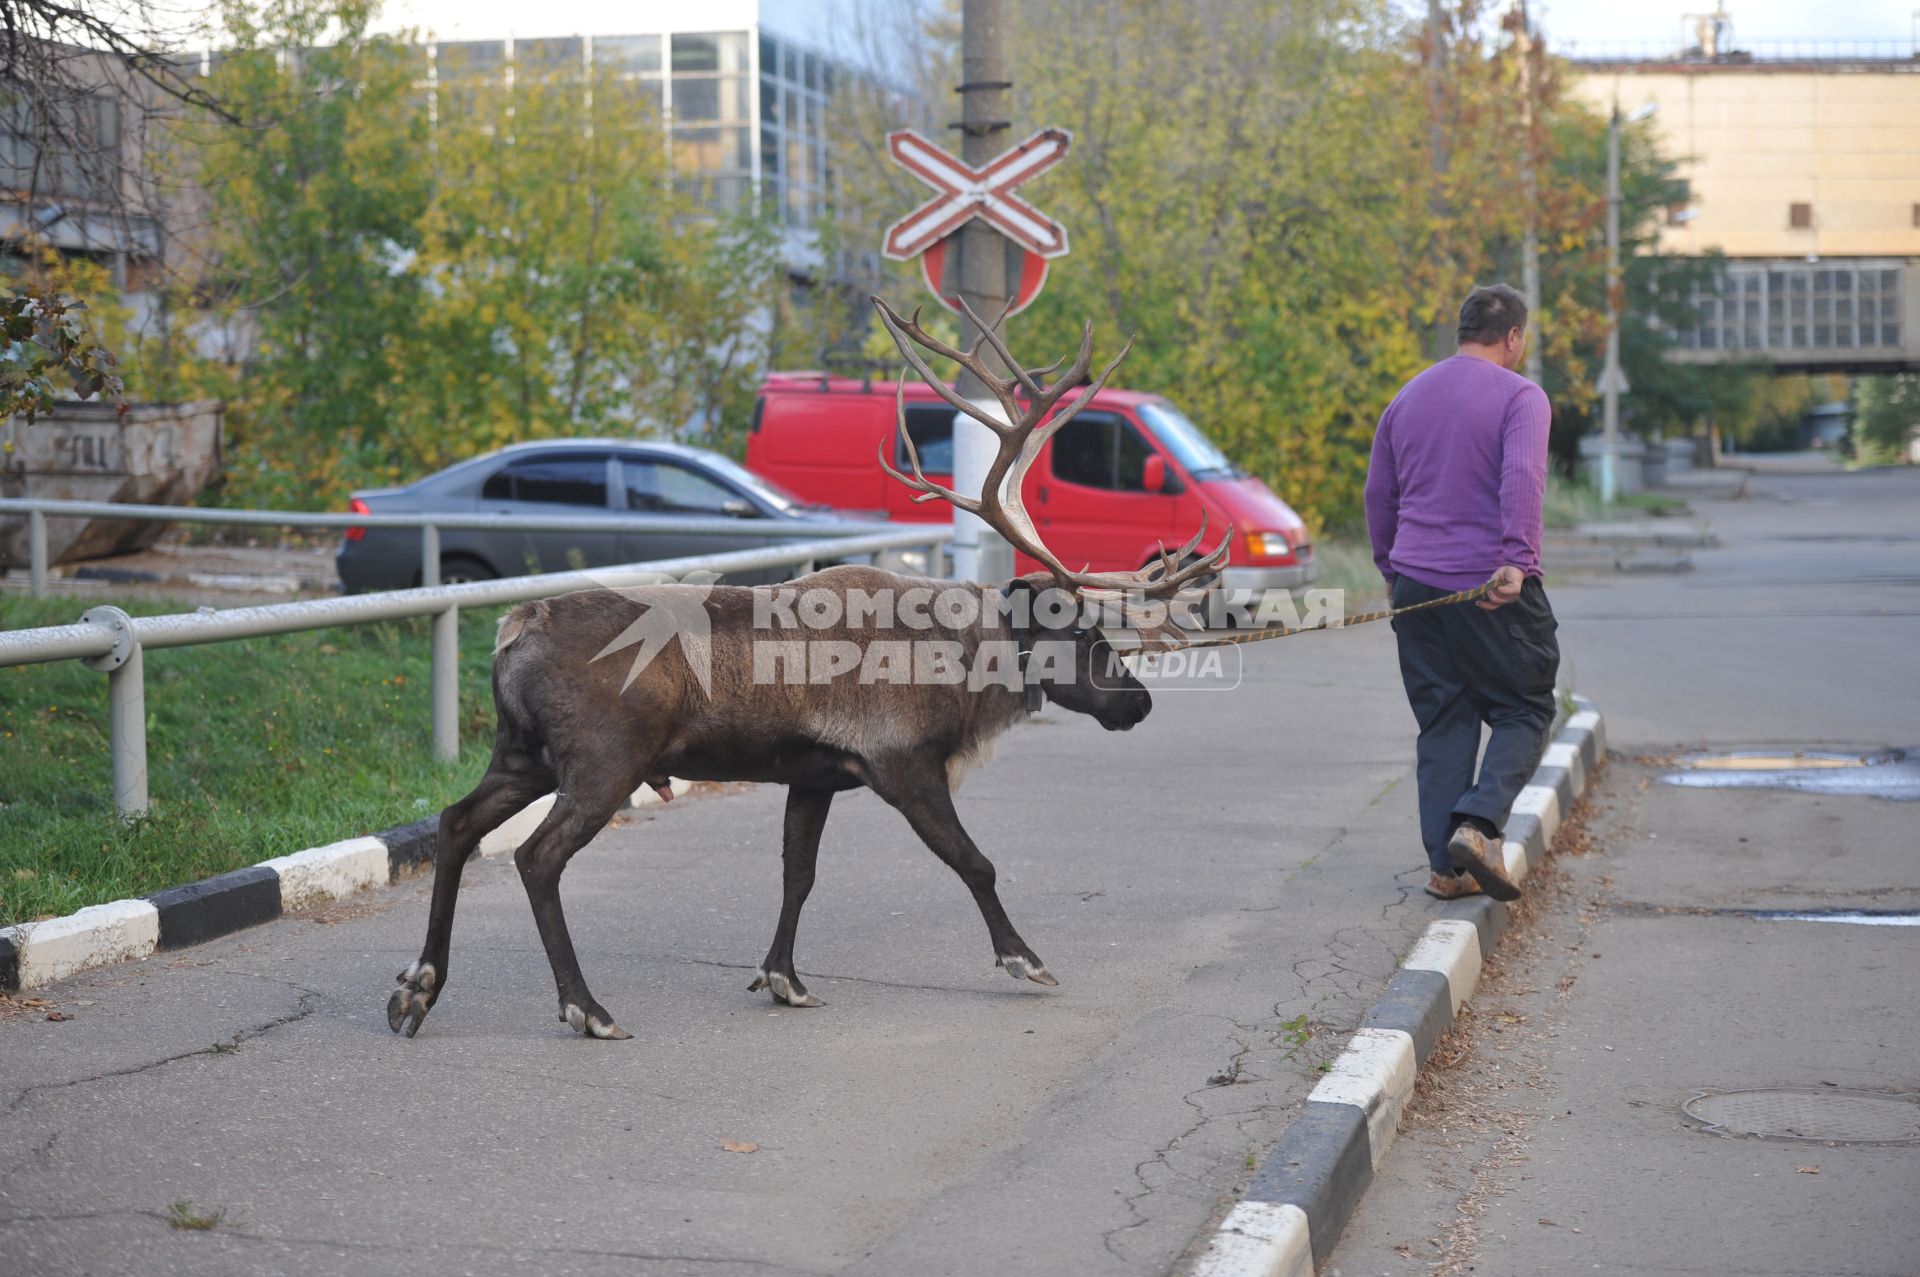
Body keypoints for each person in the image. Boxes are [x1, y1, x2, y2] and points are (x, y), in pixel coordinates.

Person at [1364, 284, 1560, 902]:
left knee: (1444, 719)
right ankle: (1477, 827)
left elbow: (1380, 493)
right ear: (1513, 337)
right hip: (1488, 583)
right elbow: (1522, 476)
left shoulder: (1408, 395)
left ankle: (1445, 872)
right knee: (1525, 707)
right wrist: (1517, 561)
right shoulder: (1521, 396)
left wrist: (1392, 571)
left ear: (1462, 331)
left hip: (1417, 584)